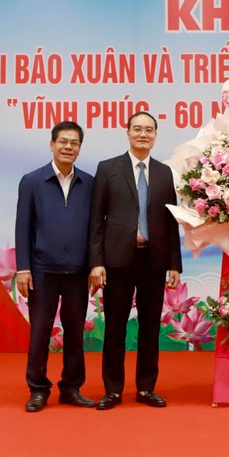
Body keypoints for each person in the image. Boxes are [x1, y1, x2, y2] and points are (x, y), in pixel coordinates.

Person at [89, 111, 182, 410]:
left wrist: (174, 264)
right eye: (137, 129)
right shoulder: (108, 169)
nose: (143, 134)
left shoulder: (166, 172)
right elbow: (96, 220)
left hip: (153, 261)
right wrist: (96, 261)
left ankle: (146, 388)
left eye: (149, 130)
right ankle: (113, 390)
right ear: (127, 133)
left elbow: (171, 221)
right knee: (115, 326)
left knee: (150, 328)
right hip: (117, 261)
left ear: (156, 135)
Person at [15, 121, 95, 412]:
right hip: (41, 271)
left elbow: (95, 230)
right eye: (63, 141)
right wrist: (23, 268)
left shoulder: (89, 183)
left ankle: (72, 388)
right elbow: (22, 227)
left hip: (77, 271)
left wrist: (94, 265)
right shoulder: (32, 181)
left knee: (75, 333)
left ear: (79, 148)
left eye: (74, 143)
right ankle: (37, 389)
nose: (68, 147)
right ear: (52, 144)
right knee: (40, 331)